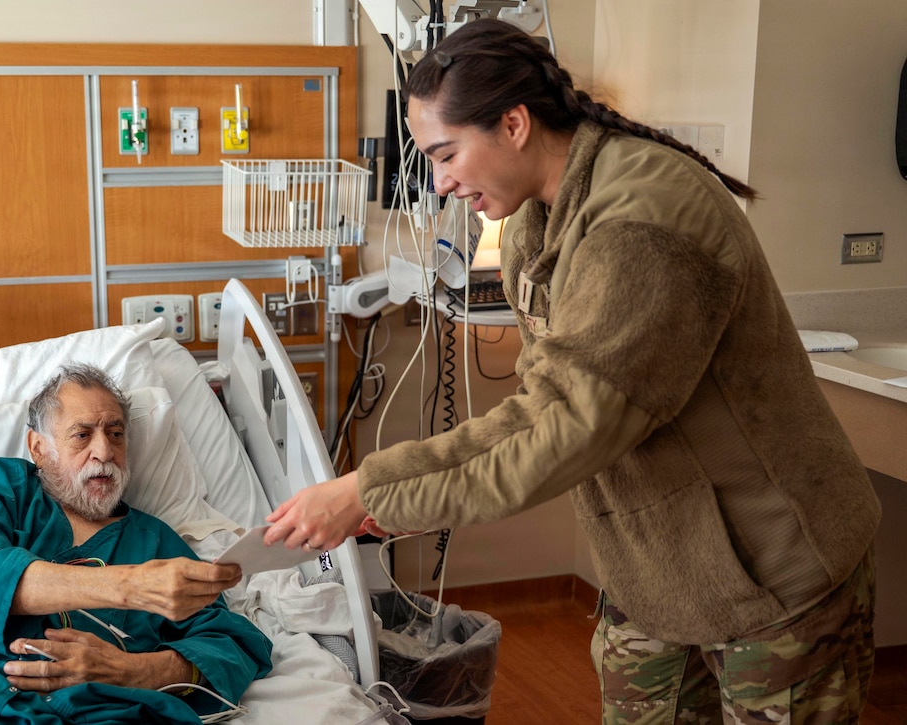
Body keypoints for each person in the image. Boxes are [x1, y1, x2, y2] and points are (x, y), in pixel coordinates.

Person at [264, 18, 882, 723]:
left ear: (514, 124)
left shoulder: (644, 225)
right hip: (659, 568)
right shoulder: (534, 225)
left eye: (446, 154)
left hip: (773, 570)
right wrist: (389, 499)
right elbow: (542, 401)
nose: (440, 182)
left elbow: (562, 427)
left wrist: (372, 488)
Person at [0, 363, 272, 725]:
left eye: (116, 434)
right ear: (39, 448)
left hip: (102, 714)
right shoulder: (3, 490)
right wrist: (129, 586)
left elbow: (232, 643)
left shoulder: (154, 541)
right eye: (82, 435)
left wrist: (133, 670)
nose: (104, 451)